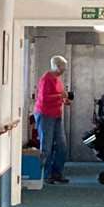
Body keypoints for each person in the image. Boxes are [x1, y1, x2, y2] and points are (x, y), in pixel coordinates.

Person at [34, 55, 70, 183]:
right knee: (47, 146)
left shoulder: (58, 80)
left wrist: (64, 100)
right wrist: (60, 96)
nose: (64, 70)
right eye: (62, 67)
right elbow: (44, 99)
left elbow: (58, 96)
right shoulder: (46, 79)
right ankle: (46, 174)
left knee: (62, 146)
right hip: (45, 114)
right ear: (56, 66)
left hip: (56, 115)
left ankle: (57, 172)